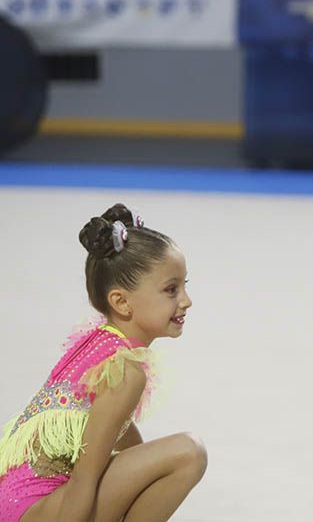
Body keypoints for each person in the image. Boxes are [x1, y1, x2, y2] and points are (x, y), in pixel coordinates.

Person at [0, 204, 206, 522]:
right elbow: (85, 476)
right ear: (121, 302)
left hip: (17, 503)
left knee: (157, 458)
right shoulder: (124, 370)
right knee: (188, 453)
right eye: (170, 290)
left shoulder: (100, 342)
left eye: (184, 286)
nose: (186, 300)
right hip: (33, 511)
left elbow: (119, 434)